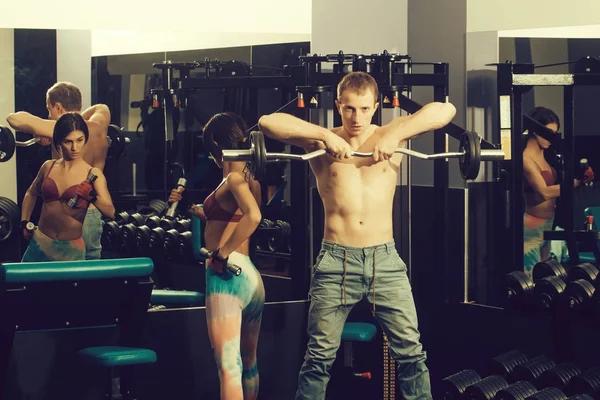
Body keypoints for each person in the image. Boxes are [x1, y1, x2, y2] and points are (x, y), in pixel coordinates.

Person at [258, 71, 456, 400]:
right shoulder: (321, 144)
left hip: (385, 262)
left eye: (365, 109)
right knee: (318, 358)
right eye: (349, 108)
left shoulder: (392, 133)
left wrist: (399, 133)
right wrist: (325, 136)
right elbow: (268, 122)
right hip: (336, 261)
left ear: (376, 107)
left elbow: (445, 112)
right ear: (338, 106)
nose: (357, 117)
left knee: (411, 355)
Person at [168, 112, 265, 400]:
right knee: (248, 364)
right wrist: (198, 209)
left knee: (228, 367)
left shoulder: (233, 179)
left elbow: (254, 217)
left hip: (227, 278)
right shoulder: (251, 181)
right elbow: (232, 219)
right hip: (251, 278)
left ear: (215, 144)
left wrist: (221, 254)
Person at [6, 81, 111, 260]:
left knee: (54, 270)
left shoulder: (56, 129)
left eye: (49, 110)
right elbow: (101, 107)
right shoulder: (99, 125)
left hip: (72, 215)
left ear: (58, 107)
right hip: (93, 213)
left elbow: (13, 119)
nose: (49, 114)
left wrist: (49, 129)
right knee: (91, 271)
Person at [20, 112, 115, 262]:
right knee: (24, 283)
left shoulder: (92, 173)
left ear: (85, 139)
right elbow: (31, 193)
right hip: (41, 241)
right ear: (59, 142)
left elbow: (110, 211)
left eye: (79, 140)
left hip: (71, 248)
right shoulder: (48, 166)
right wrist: (24, 221)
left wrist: (92, 197)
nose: (74, 147)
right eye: (68, 141)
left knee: (69, 286)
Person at [522, 107, 594, 277]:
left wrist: (580, 177)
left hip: (548, 223)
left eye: (554, 133)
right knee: (529, 275)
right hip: (532, 227)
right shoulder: (526, 159)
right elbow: (545, 192)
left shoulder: (545, 157)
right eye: (548, 132)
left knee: (544, 275)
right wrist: (576, 183)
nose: (551, 138)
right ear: (535, 130)